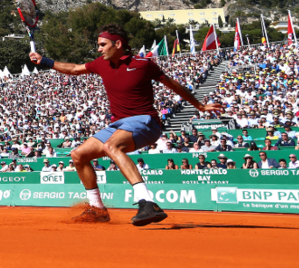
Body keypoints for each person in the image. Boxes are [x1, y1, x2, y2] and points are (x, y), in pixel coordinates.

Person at [30, 23, 222, 226]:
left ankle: (147, 202)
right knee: (78, 155)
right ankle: (98, 210)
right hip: (119, 124)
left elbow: (174, 85)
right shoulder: (101, 64)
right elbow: (75, 69)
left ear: (118, 44)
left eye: (102, 44)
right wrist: (45, 61)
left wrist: (199, 105)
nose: (99, 49)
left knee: (111, 146)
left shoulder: (143, 64)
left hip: (145, 121)